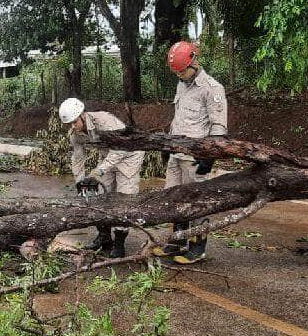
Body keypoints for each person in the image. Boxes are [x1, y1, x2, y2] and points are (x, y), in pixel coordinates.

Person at [153, 40, 228, 264]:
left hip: (195, 159)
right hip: (176, 155)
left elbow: (218, 127)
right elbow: (178, 118)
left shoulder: (212, 88)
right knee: (173, 199)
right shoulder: (181, 84)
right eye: (176, 72)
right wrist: (168, 144)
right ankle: (177, 241)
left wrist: (209, 156)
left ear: (194, 62)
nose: (180, 75)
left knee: (196, 202)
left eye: (182, 71)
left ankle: (197, 246)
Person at [58, 98, 145, 258]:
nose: (72, 126)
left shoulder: (104, 122)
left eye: (74, 122)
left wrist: (97, 172)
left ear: (83, 115)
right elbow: (77, 158)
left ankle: (119, 244)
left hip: (129, 155)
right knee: (98, 195)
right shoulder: (75, 134)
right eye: (69, 123)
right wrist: (80, 182)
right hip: (106, 156)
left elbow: (121, 149)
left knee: (123, 199)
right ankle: (104, 236)